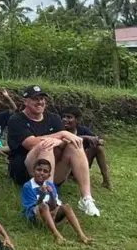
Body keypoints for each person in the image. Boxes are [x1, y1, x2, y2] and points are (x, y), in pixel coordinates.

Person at [6, 85, 100, 216]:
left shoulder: (53, 118)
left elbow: (66, 140)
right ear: (25, 101)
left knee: (74, 145)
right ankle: (50, 196)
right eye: (35, 99)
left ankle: (86, 198)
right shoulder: (16, 120)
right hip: (25, 171)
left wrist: (60, 140)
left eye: (42, 98)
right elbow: (30, 143)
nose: (40, 102)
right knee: (46, 145)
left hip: (53, 171)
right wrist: (60, 134)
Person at [22, 158, 92, 245]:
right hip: (35, 217)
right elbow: (32, 209)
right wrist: (42, 195)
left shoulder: (50, 185)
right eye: (39, 170)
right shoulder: (28, 186)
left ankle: (81, 235)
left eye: (45, 171)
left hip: (51, 214)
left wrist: (51, 194)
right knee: (44, 206)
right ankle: (57, 236)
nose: (41, 173)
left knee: (66, 207)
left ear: (48, 175)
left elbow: (54, 205)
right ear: (33, 171)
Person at [61, 106, 111, 190]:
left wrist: (98, 140)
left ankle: (106, 180)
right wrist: (84, 138)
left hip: (80, 163)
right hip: (64, 164)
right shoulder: (60, 129)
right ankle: (68, 177)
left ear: (77, 120)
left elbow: (99, 140)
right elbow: (64, 141)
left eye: (69, 117)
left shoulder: (82, 130)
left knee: (99, 148)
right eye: (64, 117)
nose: (65, 119)